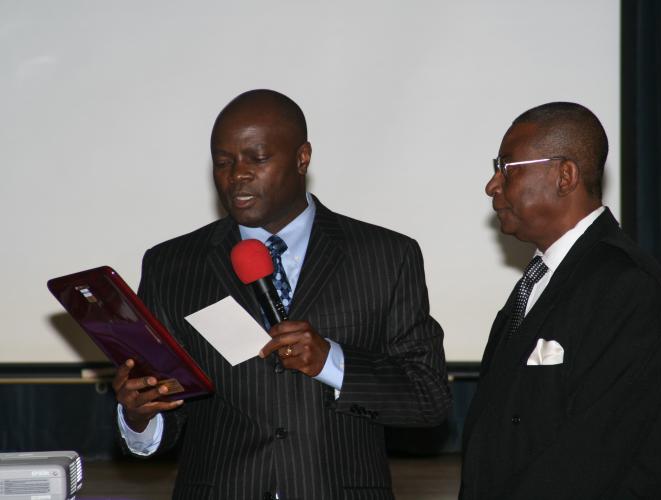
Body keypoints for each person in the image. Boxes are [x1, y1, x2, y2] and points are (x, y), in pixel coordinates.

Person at [112, 89, 451, 500]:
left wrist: (332, 362)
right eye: (223, 162)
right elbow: (169, 411)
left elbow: (428, 398)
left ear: (302, 158)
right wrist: (139, 415)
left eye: (256, 158)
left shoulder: (385, 256)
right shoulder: (173, 265)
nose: (237, 175)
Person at [460, 102, 661, 498]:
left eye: (507, 167)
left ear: (564, 176)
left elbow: (592, 451)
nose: (492, 185)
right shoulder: (537, 280)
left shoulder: (627, 285)